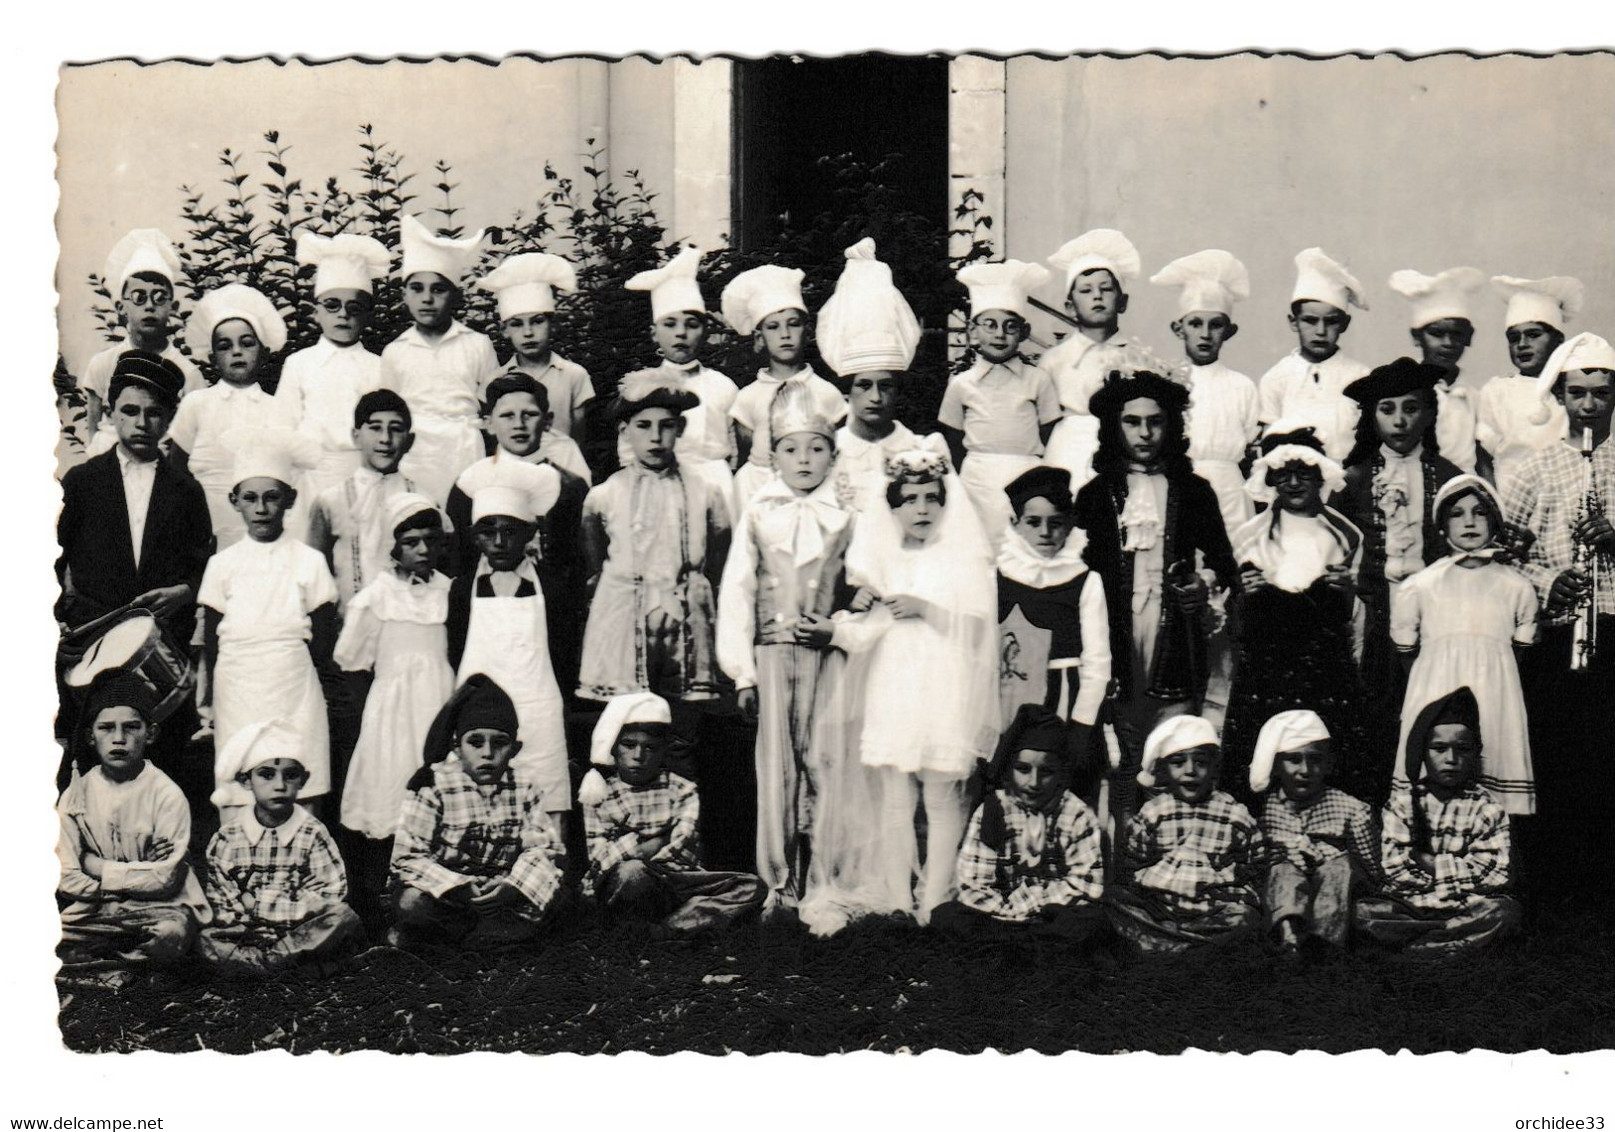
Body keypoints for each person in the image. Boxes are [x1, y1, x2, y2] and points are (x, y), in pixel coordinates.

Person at [828, 440, 998, 924]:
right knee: (896, 800)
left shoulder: (964, 559)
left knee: (942, 797)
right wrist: (858, 608)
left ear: (947, 502)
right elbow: (865, 633)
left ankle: (935, 901)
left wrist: (929, 608)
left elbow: (982, 631)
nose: (921, 508)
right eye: (910, 500)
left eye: (931, 497)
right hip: (895, 682)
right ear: (894, 507)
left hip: (946, 682)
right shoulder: (884, 562)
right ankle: (899, 899)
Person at [1074, 349, 1238, 826]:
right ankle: (1119, 845)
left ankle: (1174, 837)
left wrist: (1202, 584)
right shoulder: (1095, 495)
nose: (1145, 434)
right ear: (1114, 427)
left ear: (1172, 426)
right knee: (1120, 741)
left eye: (1155, 422)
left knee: (1172, 737)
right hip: (1115, 630)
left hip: (1175, 634)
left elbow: (1224, 563)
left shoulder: (1194, 491)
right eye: (1132, 422)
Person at [717, 383, 854, 918]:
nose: (804, 459)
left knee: (825, 762)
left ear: (833, 454)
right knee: (776, 769)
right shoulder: (759, 511)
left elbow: (862, 585)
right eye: (792, 449)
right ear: (772, 456)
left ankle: (825, 878)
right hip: (772, 656)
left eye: (816, 448)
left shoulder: (845, 515)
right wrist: (742, 673)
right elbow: (738, 589)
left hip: (828, 658)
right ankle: (779, 883)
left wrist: (840, 626)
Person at [56, 352, 212, 784]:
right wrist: (60, 630)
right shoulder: (83, 482)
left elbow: (205, 569)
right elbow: (49, 562)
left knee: (162, 761)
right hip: (95, 645)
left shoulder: (186, 491)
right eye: (130, 411)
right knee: (96, 755)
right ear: (111, 414)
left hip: (162, 648)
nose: (142, 422)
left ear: (169, 419)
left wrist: (184, 592)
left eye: (154, 413)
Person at [1501, 332, 1615, 895]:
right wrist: (1550, 579)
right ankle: (1557, 880)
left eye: (1601, 393)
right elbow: (1503, 557)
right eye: (1578, 394)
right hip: (1558, 632)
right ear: (1561, 397)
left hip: (1613, 627)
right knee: (1559, 750)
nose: (1589, 406)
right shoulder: (1534, 469)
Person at [1222, 422, 1372, 805]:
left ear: (1319, 476)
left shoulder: (1344, 535)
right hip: (1266, 661)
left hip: (1323, 661)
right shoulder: (1249, 535)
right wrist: (1244, 594)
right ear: (1270, 479)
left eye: (1303, 474)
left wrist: (1347, 594)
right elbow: (1234, 610)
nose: (1293, 484)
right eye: (1283, 475)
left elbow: (1356, 613)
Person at [1334, 357, 1464, 779]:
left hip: (1434, 616)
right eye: (1387, 409)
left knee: (1428, 703)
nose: (1400, 420)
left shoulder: (1449, 477)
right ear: (1371, 417)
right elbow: (1333, 545)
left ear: (1429, 414)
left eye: (1411, 408)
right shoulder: (1351, 480)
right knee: (1372, 705)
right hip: (1372, 613)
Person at [198, 428, 338, 817]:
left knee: (299, 779)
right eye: (250, 498)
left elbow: (323, 638)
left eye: (271, 497)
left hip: (293, 686)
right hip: (238, 687)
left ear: (288, 500)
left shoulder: (308, 560)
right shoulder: (221, 564)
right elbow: (211, 640)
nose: (261, 508)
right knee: (240, 781)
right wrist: (209, 699)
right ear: (235, 502)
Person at [333, 493, 455, 912]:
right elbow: (351, 663)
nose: (423, 550)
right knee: (389, 791)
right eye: (412, 541)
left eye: (431, 540)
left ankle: (433, 890)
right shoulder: (376, 596)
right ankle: (378, 896)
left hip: (438, 704)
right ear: (393, 546)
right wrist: (377, 712)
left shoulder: (447, 591)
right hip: (392, 709)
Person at [579, 375, 731, 705]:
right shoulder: (604, 495)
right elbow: (595, 554)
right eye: (643, 426)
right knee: (629, 713)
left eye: (666, 426)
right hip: (624, 611)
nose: (655, 437)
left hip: (687, 613)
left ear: (680, 429)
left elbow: (719, 554)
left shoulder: (706, 492)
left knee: (684, 716)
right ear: (625, 432)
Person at [1392, 475, 1538, 815]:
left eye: (1480, 513)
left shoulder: (1516, 587)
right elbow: (1406, 653)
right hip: (1435, 692)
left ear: (1495, 522)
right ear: (1442, 526)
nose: (1469, 522)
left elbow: (1519, 653)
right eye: (1457, 513)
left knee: (1492, 771)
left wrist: (1490, 679)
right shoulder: (1419, 587)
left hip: (1496, 696)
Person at [387, 676, 568, 949]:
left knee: (558, 893)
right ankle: (477, 937)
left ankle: (471, 937)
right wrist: (459, 886)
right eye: (476, 742)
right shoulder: (434, 786)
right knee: (412, 903)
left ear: (515, 749)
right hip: (449, 894)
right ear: (457, 748)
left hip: (500, 893)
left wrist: (512, 887)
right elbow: (407, 857)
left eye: (499, 743)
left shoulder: (524, 788)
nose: (487, 754)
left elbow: (543, 849)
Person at [56, 673, 211, 988]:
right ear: (90, 737)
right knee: (46, 934)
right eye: (106, 728)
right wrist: (122, 883)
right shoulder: (76, 795)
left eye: (131, 727)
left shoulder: (166, 794)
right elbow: (67, 876)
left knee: (173, 934)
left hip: (161, 909)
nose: (118, 738)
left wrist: (96, 866)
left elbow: (165, 879)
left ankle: (108, 967)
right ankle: (126, 967)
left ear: (150, 734)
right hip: (98, 908)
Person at [445, 373, 591, 695]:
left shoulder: (570, 488)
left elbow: (581, 560)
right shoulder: (470, 486)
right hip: (487, 618)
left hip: (553, 620)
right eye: (507, 416)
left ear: (547, 420)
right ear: (489, 424)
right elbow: (462, 563)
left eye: (529, 414)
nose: (519, 424)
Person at [445, 459, 572, 827]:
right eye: (488, 531)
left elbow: (563, 653)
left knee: (547, 794)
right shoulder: (460, 590)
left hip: (538, 709)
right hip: (480, 712)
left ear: (529, 533)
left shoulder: (553, 587)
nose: (499, 542)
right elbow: (455, 651)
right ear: (474, 537)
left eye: (510, 531)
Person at [577, 693, 766, 934]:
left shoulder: (681, 789)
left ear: (664, 750)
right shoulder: (599, 794)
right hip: (626, 882)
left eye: (650, 747)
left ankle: (667, 927)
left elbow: (684, 846)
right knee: (631, 874)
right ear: (614, 748)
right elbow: (599, 859)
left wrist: (638, 849)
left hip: (676, 879)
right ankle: (681, 924)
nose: (638, 756)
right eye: (629, 745)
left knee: (751, 886)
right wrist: (648, 844)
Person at [1355, 687, 1520, 955]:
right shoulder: (1402, 804)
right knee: (1364, 913)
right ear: (1423, 752)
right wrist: (1452, 875)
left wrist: (1432, 864)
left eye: (1462, 749)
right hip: (1411, 905)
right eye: (1439, 749)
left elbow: (1494, 874)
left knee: (1505, 912)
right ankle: (1449, 944)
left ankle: (1419, 948)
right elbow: (1395, 870)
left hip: (1468, 905)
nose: (1451, 760)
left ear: (1475, 753)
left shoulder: (1487, 808)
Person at [198, 719, 364, 977]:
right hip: (248, 936)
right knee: (205, 939)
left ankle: (261, 967)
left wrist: (258, 906)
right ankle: (288, 967)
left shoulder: (312, 833)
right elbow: (223, 905)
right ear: (245, 781)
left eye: (290, 775)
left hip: (300, 935)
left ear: (303, 780)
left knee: (342, 917)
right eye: (266, 774)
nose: (279, 785)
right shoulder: (228, 839)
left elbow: (330, 897)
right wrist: (275, 914)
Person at [931, 704, 1107, 945]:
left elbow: (1086, 884)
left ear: (1061, 774)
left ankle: (1017, 946)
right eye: (1023, 770)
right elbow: (973, 883)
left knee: (1092, 922)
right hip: (1001, 915)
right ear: (1009, 770)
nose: (1034, 782)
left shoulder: (1076, 814)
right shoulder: (993, 810)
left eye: (1046, 772)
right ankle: (1022, 945)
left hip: (1050, 915)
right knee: (946, 916)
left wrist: (1029, 906)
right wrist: (1009, 914)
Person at [1107, 715, 1266, 955]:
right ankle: (1188, 948)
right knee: (1112, 901)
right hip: (1160, 908)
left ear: (1215, 767)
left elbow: (1254, 865)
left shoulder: (1235, 815)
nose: (1190, 771)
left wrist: (1230, 894)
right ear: (1163, 770)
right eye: (1178, 762)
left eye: (1201, 762)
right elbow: (1133, 861)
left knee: (1246, 918)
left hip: (1211, 912)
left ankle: (1169, 947)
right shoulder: (1154, 813)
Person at [939, 259, 1062, 548]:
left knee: (1020, 546)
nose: (999, 334)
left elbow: (1050, 432)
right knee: (979, 546)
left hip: (1026, 475)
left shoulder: (1037, 380)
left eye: (1010, 326)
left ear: (1023, 331)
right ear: (973, 330)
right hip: (977, 480)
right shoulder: (962, 384)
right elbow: (953, 440)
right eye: (990, 325)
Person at [379, 214, 497, 506]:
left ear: (454, 296)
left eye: (438, 289)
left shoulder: (477, 344)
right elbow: (389, 413)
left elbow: (493, 408)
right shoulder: (396, 351)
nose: (427, 299)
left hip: (465, 451)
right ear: (404, 294)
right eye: (417, 289)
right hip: (415, 457)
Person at [168, 284, 292, 551]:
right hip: (203, 538)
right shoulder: (197, 404)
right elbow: (173, 473)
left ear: (264, 353)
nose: (236, 352)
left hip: (264, 539)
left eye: (246, 343)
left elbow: (290, 476)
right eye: (225, 346)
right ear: (213, 358)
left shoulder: (279, 408)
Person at [621, 244, 740, 518]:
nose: (681, 333)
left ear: (705, 330)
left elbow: (737, 451)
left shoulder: (723, 386)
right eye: (670, 324)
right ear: (654, 333)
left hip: (717, 489)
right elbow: (628, 451)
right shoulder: (642, 388)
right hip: (659, 487)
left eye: (691, 324)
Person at [995, 466, 1110, 748]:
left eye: (1056, 523)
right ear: (1014, 523)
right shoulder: (998, 576)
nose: (1045, 533)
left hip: (1066, 700)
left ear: (1070, 524)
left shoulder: (1085, 580)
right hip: (1011, 697)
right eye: (1033, 522)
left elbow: (1098, 662)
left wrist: (1082, 724)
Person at [275, 232, 389, 513]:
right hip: (311, 477)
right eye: (332, 305)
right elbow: (281, 428)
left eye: (354, 308)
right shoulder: (299, 363)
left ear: (367, 315)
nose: (343, 315)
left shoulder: (379, 366)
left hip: (365, 472)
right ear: (316, 312)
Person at [1149, 248, 1260, 534]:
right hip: (1180, 484)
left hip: (1231, 494)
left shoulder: (1242, 386)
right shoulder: (1166, 382)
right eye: (1195, 324)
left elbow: (1250, 450)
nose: (1205, 334)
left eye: (1215, 325)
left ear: (1229, 331)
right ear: (1178, 328)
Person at [1248, 710, 1378, 951]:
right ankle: (1289, 935)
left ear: (1329, 764)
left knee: (1341, 866)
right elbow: (1256, 863)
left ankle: (1323, 944)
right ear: (1276, 766)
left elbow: (1370, 866)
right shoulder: (1264, 810)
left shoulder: (1351, 809)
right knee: (1282, 869)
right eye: (1294, 759)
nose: (1305, 770)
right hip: (1286, 888)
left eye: (1315, 760)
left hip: (1336, 887)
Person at [720, 264, 847, 511]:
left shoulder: (827, 393)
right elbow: (748, 457)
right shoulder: (748, 398)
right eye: (773, 326)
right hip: (758, 497)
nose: (785, 334)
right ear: (759, 338)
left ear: (807, 331)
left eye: (793, 324)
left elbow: (838, 453)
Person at [77, 229, 206, 457]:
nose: (149, 306)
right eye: (139, 297)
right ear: (121, 307)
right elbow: (94, 434)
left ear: (172, 308)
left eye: (159, 297)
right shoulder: (102, 365)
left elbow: (194, 443)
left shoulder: (189, 374)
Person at [818, 238, 925, 515]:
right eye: (864, 385)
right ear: (847, 392)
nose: (875, 397)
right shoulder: (826, 453)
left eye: (885, 386)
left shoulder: (917, 450)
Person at [1038, 228, 1144, 486]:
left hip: (1120, 451)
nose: (1097, 296)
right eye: (1085, 291)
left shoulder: (1138, 358)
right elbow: (1044, 423)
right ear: (1070, 307)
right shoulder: (1053, 360)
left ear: (1122, 301)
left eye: (1106, 289)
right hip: (1067, 454)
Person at [305, 389, 425, 616]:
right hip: (349, 628)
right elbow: (315, 574)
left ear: (409, 441)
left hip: (408, 626)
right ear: (356, 436)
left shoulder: (423, 499)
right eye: (375, 427)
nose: (385, 439)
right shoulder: (330, 501)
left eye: (396, 429)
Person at [1257, 247, 1370, 463]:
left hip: (1348, 488)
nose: (1320, 331)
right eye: (1310, 320)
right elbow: (1269, 448)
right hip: (1294, 487)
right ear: (1294, 322)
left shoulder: (1361, 377)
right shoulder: (1276, 378)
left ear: (1344, 324)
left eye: (1330, 321)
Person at [1479, 275, 1583, 499]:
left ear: (1557, 341)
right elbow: (1483, 455)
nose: (1522, 345)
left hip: (1564, 500)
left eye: (1533, 335)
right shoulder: (1498, 392)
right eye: (1514, 338)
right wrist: (1495, 503)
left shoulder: (1574, 391)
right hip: (1512, 502)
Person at [477, 251, 596, 440]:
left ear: (553, 324)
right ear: (504, 330)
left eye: (537, 321)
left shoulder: (574, 375)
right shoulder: (494, 381)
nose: (528, 333)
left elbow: (579, 438)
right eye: (517, 324)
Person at [1388, 266, 1490, 477]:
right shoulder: (1400, 389)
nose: (1448, 343)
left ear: (1469, 337)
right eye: (1437, 334)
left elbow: (1481, 457)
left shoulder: (1474, 397)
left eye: (1456, 335)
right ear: (1417, 337)